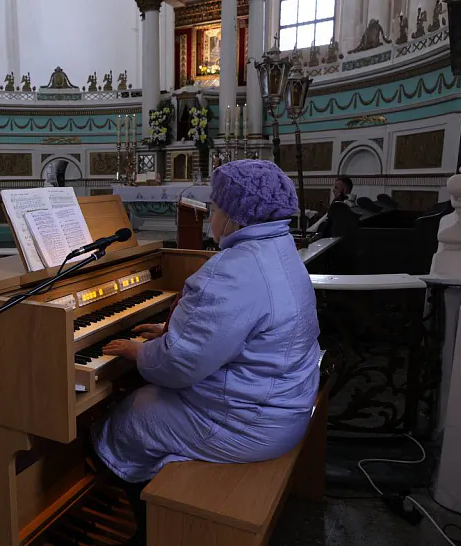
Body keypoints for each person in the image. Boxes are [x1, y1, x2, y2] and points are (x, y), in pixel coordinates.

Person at [89, 160, 321, 545]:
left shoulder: (231, 271)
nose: (211, 214)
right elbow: (242, 328)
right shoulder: (279, 249)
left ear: (235, 215)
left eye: (214, 206)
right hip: (284, 402)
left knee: (130, 416)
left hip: (252, 424)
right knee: (145, 401)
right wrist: (169, 331)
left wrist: (140, 352)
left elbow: (178, 366)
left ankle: (151, 528)